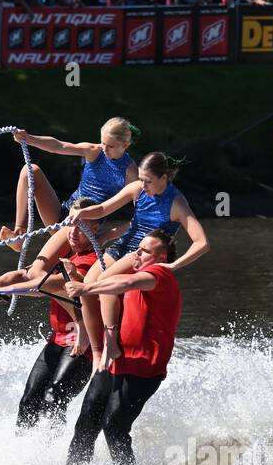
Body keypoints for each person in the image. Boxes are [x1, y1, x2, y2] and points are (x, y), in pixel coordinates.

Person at [58, 152, 207, 369]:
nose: (143, 185)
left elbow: (202, 242)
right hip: (122, 245)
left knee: (101, 283)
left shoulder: (177, 203)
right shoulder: (137, 188)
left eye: (148, 181)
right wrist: (81, 214)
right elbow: (103, 208)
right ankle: (95, 349)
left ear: (164, 178)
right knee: (88, 283)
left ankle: (111, 342)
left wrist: (173, 265)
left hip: (142, 252)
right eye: (141, 179)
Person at [63, 229, 182, 465]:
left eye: (143, 251)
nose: (136, 254)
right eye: (137, 248)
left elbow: (124, 283)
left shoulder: (160, 274)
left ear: (160, 257)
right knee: (86, 423)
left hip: (142, 369)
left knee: (114, 426)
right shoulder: (138, 275)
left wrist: (86, 287)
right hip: (116, 361)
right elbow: (113, 291)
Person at [0, 201, 102, 428]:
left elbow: (44, 285)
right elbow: (24, 275)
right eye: (70, 226)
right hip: (58, 340)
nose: (72, 232)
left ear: (94, 230)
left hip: (82, 346)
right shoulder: (67, 257)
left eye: (80, 226)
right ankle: (22, 453)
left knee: (53, 399)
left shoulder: (92, 263)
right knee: (28, 401)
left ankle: (50, 456)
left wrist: (5, 292)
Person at [0, 118, 139, 250]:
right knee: (30, 171)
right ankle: (19, 233)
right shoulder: (94, 151)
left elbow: (142, 216)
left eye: (110, 146)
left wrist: (106, 236)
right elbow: (59, 145)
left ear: (125, 145)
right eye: (102, 143)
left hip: (85, 229)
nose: (104, 148)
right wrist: (28, 138)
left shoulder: (130, 172)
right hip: (64, 214)